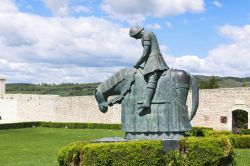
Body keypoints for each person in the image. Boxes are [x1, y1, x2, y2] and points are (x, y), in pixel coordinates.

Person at [129, 26, 169, 111]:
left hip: (153, 60)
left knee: (152, 79)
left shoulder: (146, 35)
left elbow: (145, 54)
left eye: (135, 37)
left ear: (137, 32)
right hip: (151, 59)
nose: (136, 39)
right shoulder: (148, 33)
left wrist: (136, 64)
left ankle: (147, 102)